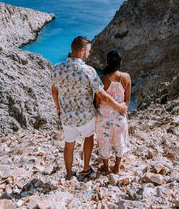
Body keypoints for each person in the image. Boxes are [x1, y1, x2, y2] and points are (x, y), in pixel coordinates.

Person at [51, 36, 127, 180]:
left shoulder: (56, 69)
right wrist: (119, 106)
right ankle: (86, 169)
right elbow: (103, 96)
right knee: (88, 138)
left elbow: (54, 91)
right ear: (81, 51)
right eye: (89, 51)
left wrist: (58, 107)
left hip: (67, 116)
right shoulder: (89, 71)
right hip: (86, 115)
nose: (89, 54)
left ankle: (68, 174)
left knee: (69, 145)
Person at [95, 49, 131, 174]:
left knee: (104, 141)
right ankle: (116, 168)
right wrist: (120, 108)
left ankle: (105, 167)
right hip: (120, 115)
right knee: (120, 141)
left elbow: (97, 102)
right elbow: (127, 100)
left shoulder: (101, 78)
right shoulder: (126, 77)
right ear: (120, 63)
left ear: (106, 62)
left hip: (104, 116)